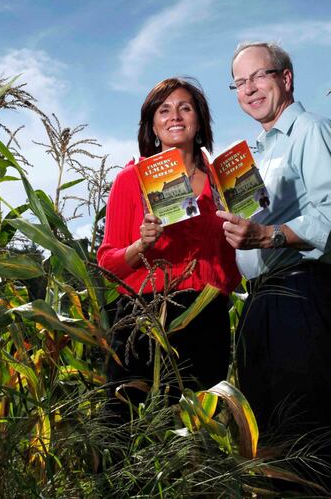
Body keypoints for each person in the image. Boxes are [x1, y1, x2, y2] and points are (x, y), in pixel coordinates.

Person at [216, 42, 331, 496]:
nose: (250, 89)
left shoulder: (313, 132)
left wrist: (267, 237)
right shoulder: (254, 154)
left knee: (307, 429)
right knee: (269, 435)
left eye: (259, 77)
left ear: (286, 78)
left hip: (302, 290)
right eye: (240, 82)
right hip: (262, 300)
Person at [97, 77, 241, 413]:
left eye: (185, 108)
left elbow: (234, 269)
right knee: (125, 421)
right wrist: (140, 246)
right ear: (152, 124)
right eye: (164, 110)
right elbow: (107, 265)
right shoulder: (129, 179)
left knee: (197, 430)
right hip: (143, 316)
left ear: (199, 119)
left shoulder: (225, 183)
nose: (175, 116)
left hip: (207, 319)